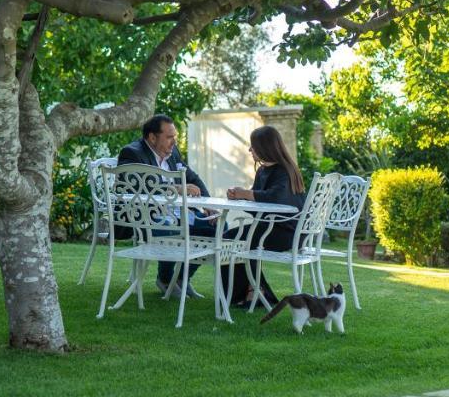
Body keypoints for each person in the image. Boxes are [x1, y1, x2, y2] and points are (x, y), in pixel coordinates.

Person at [116, 114, 214, 298]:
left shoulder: (172, 152)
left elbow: (191, 177)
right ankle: (165, 279)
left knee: (217, 226)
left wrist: (208, 205)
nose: (173, 141)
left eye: (174, 136)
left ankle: (181, 279)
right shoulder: (132, 153)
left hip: (178, 214)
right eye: (169, 137)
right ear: (152, 137)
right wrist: (175, 188)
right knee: (173, 227)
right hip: (146, 219)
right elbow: (137, 185)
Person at [224, 125, 307, 309]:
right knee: (230, 237)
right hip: (269, 227)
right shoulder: (262, 171)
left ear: (264, 147)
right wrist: (239, 196)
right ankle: (253, 291)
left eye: (252, 146)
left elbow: (276, 199)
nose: (249, 150)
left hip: (287, 233)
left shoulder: (285, 170)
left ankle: (252, 292)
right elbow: (259, 205)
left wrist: (245, 194)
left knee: (233, 239)